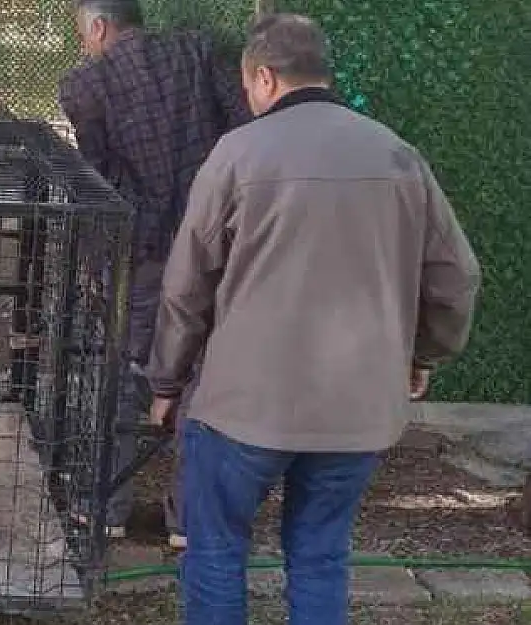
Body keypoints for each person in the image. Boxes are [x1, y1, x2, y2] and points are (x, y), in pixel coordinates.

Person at [145, 13, 480, 624]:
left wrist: (166, 381)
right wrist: (421, 355)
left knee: (216, 550)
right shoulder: (399, 156)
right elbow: (457, 279)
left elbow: (186, 283)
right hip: (356, 413)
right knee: (322, 555)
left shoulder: (237, 154)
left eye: (248, 84)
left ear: (265, 78)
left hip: (242, 410)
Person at [56, 0, 250, 546]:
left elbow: (97, 180)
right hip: (216, 245)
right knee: (205, 381)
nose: (85, 47)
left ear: (99, 27)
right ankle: (190, 520)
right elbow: (243, 135)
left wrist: (98, 262)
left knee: (124, 373)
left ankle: (107, 508)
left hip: (140, 254)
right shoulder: (199, 50)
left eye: (84, 36)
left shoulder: (84, 87)